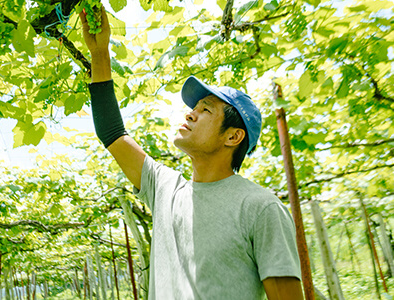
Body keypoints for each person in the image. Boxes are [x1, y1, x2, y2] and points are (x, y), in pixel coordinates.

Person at [79, 8, 303, 300]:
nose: (191, 114)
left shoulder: (260, 208)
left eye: (206, 110)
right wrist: (99, 54)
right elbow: (112, 133)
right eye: (194, 108)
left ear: (233, 136)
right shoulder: (165, 188)